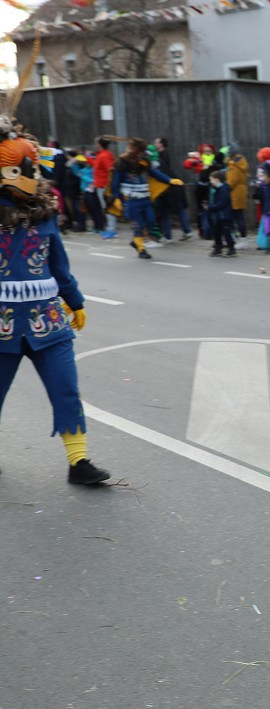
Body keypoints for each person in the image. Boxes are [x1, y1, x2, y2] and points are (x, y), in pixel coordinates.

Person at [0, 114, 110, 484]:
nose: (27, 175)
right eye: (18, 169)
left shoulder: (43, 215)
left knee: (66, 388)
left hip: (48, 321)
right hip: (1, 327)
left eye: (30, 167)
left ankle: (78, 462)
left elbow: (59, 266)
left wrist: (75, 301)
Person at [111, 138, 184, 260]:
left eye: (142, 151)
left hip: (145, 198)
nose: (140, 153)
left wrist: (169, 180)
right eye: (139, 150)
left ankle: (136, 241)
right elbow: (115, 183)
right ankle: (141, 249)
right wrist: (116, 198)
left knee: (150, 221)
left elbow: (154, 173)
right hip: (132, 200)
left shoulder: (145, 162)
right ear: (133, 149)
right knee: (138, 225)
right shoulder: (122, 163)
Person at [152, 137, 193, 242]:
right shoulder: (161, 159)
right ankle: (185, 231)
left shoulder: (161, 159)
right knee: (176, 210)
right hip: (172, 185)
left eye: (157, 142)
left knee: (166, 211)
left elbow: (161, 174)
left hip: (168, 187)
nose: (155, 144)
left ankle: (168, 235)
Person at [91, 136, 117, 239]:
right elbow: (97, 166)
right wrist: (88, 159)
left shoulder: (104, 155)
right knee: (105, 208)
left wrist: (108, 186)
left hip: (104, 186)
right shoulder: (101, 155)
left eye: (96, 143)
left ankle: (111, 229)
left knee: (108, 208)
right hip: (100, 185)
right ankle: (110, 228)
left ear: (99, 144)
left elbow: (110, 170)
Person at [207, 170, 236, 257]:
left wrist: (210, 207)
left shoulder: (223, 189)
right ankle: (218, 248)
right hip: (218, 215)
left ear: (217, 180)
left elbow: (222, 203)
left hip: (224, 215)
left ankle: (231, 248)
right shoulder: (215, 189)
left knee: (226, 233)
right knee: (217, 233)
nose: (210, 182)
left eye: (211, 179)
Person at [225, 146, 249, 239]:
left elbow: (232, 181)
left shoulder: (233, 165)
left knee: (236, 217)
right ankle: (243, 237)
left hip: (234, 194)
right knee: (240, 216)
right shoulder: (242, 162)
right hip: (241, 192)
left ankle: (240, 238)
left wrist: (225, 187)